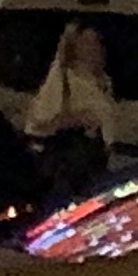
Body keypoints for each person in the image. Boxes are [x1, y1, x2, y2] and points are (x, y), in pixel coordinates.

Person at [20, 21, 117, 195]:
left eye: (95, 42)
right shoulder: (62, 79)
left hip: (98, 164)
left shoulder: (102, 82)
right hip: (72, 169)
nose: (92, 48)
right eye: (86, 42)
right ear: (74, 46)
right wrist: (75, 119)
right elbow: (36, 124)